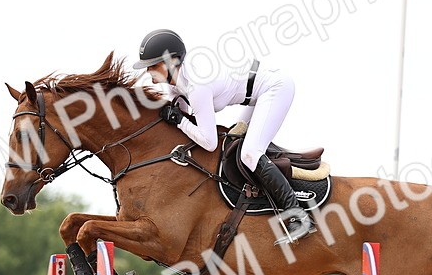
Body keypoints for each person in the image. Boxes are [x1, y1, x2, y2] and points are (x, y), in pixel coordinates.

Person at [131, 28, 314, 243]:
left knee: (249, 154)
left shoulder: (197, 85)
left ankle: (298, 216)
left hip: (274, 89)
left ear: (171, 62)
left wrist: (179, 121)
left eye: (152, 66)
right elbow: (175, 114)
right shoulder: (178, 82)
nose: (149, 72)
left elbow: (209, 142)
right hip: (254, 94)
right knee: (236, 140)